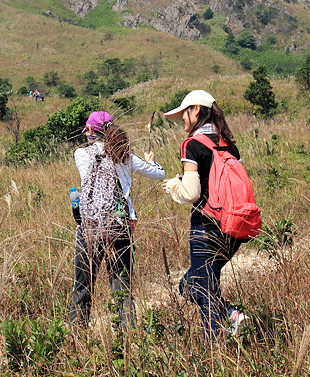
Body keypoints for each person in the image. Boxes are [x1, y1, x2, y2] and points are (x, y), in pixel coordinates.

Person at [161, 90, 249, 339]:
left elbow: (191, 193)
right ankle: (231, 316)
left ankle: (216, 350)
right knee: (190, 285)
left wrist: (172, 186)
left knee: (202, 288)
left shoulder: (192, 144)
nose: (183, 123)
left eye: (184, 116)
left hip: (206, 225)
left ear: (196, 110)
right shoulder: (228, 144)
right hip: (233, 225)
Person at [70, 111, 164, 329]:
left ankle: (76, 336)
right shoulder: (126, 155)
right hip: (120, 226)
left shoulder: (81, 154)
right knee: (121, 284)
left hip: (90, 227)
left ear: (91, 132)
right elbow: (159, 174)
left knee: (82, 286)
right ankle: (127, 336)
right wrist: (152, 161)